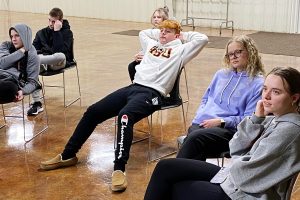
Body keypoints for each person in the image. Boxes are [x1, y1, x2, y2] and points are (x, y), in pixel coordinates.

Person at [40, 20, 208, 192]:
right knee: (93, 111)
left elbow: (202, 39)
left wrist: (181, 34)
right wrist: (161, 31)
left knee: (125, 116)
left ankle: (119, 168)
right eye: (161, 31)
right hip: (133, 87)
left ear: (177, 35)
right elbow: (143, 33)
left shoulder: (181, 50)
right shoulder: (151, 44)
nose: (162, 33)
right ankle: (68, 155)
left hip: (153, 94)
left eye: (167, 31)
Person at [144, 66, 300, 200]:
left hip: (247, 193)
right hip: (237, 178)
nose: (266, 96)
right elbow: (236, 148)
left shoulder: (289, 131)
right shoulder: (274, 119)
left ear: (294, 98)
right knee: (167, 167)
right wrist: (256, 119)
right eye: (265, 89)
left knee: (175, 187)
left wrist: (236, 161)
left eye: (276, 92)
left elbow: (245, 175)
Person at [176, 35, 265, 161]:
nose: (233, 56)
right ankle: (185, 174)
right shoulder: (221, 75)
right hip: (203, 124)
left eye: (238, 52)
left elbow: (250, 120)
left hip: (230, 130)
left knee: (195, 139)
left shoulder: (258, 83)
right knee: (197, 142)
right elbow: (206, 99)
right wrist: (198, 117)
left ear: (250, 52)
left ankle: (174, 172)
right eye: (230, 54)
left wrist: (222, 121)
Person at [27, 7, 73, 116]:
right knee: (33, 62)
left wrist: (57, 32)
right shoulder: (41, 33)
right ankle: (37, 103)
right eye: (49, 20)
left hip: (59, 63)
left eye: (54, 21)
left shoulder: (67, 33)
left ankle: (37, 60)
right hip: (42, 63)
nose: (51, 23)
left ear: (60, 21)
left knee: (60, 55)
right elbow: (33, 50)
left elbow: (61, 51)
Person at [0, 23, 40, 104]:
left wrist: (23, 91)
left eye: (17, 35)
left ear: (25, 36)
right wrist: (21, 51)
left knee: (10, 89)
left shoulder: (32, 55)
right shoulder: (6, 45)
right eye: (12, 36)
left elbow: (33, 82)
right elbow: (2, 64)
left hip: (12, 82)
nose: (13, 39)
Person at [128, 6, 169, 81]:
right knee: (132, 66)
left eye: (159, 17)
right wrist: (138, 55)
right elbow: (145, 48)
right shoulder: (150, 32)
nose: (156, 19)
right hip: (149, 58)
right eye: (154, 17)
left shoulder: (167, 33)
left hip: (160, 61)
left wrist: (148, 57)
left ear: (164, 19)